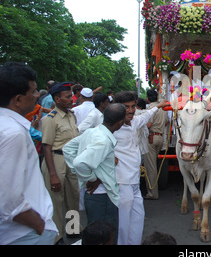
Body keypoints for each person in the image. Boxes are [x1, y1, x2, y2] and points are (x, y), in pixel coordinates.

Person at [0, 62, 58, 245]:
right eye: (33, 92)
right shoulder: (13, 133)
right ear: (18, 100)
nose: (36, 97)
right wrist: (39, 224)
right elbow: (9, 201)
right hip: (25, 234)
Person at [63, 103, 126, 244]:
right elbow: (80, 163)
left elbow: (68, 149)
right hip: (103, 197)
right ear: (120, 122)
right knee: (105, 238)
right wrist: (92, 178)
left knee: (94, 237)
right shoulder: (103, 140)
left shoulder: (93, 131)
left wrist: (86, 176)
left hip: (95, 196)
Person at [112, 91, 169, 245]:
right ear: (117, 108)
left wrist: (159, 106)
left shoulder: (134, 122)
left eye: (132, 106)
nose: (130, 110)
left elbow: (146, 115)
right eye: (126, 107)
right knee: (123, 225)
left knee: (137, 220)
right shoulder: (110, 128)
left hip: (135, 182)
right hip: (122, 183)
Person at [40, 81, 80, 244]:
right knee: (56, 201)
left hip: (71, 160)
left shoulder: (72, 115)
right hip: (56, 160)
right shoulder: (50, 119)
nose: (72, 99)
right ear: (57, 99)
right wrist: (53, 174)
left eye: (71, 95)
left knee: (73, 196)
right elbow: (47, 147)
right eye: (68, 96)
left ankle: (73, 230)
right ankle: (57, 237)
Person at [143, 89, 168, 200]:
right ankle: (153, 189)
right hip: (160, 137)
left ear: (148, 98)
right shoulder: (163, 108)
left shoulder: (151, 109)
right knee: (153, 166)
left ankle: (152, 193)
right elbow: (167, 121)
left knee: (150, 167)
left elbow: (148, 124)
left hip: (151, 138)